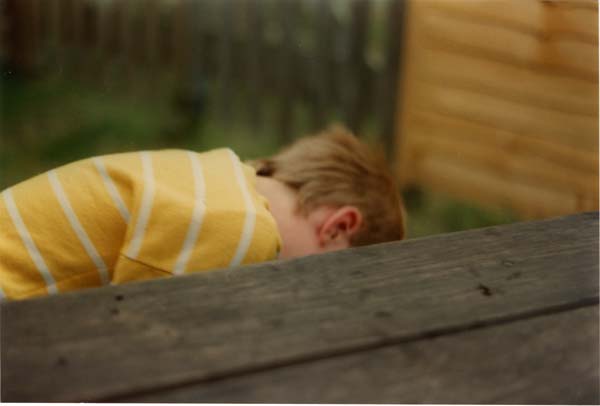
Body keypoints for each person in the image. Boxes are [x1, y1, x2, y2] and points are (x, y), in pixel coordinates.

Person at [0, 125, 405, 301]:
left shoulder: (218, 174)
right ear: (338, 227)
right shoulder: (243, 227)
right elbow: (138, 341)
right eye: (325, 282)